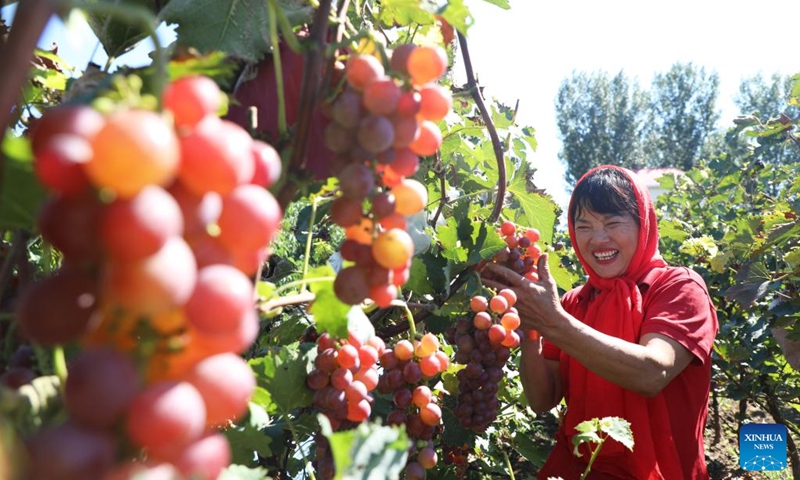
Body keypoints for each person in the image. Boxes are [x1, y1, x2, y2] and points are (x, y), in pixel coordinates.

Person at [481, 165, 718, 480]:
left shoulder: (680, 287)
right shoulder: (573, 303)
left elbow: (653, 372)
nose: (598, 239)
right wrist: (531, 329)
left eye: (612, 222)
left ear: (643, 223)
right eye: (584, 226)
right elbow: (542, 400)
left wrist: (554, 324)